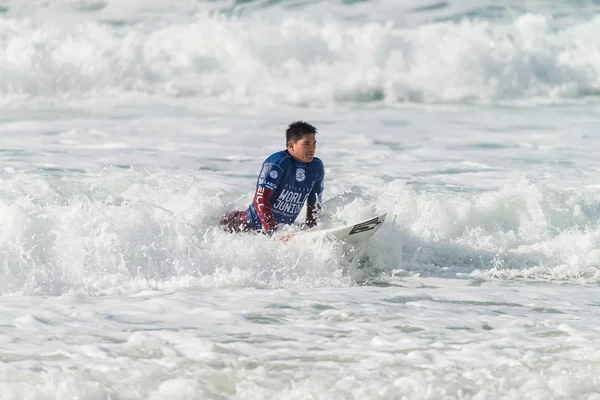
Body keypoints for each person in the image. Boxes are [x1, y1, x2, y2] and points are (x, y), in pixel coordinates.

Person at [219, 121, 325, 236]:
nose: (312, 148)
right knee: (218, 222)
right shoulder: (277, 163)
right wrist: (273, 232)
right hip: (245, 228)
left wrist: (312, 232)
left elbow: (314, 205)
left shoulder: (316, 167)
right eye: (306, 144)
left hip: (279, 230)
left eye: (314, 144)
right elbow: (261, 199)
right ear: (291, 145)